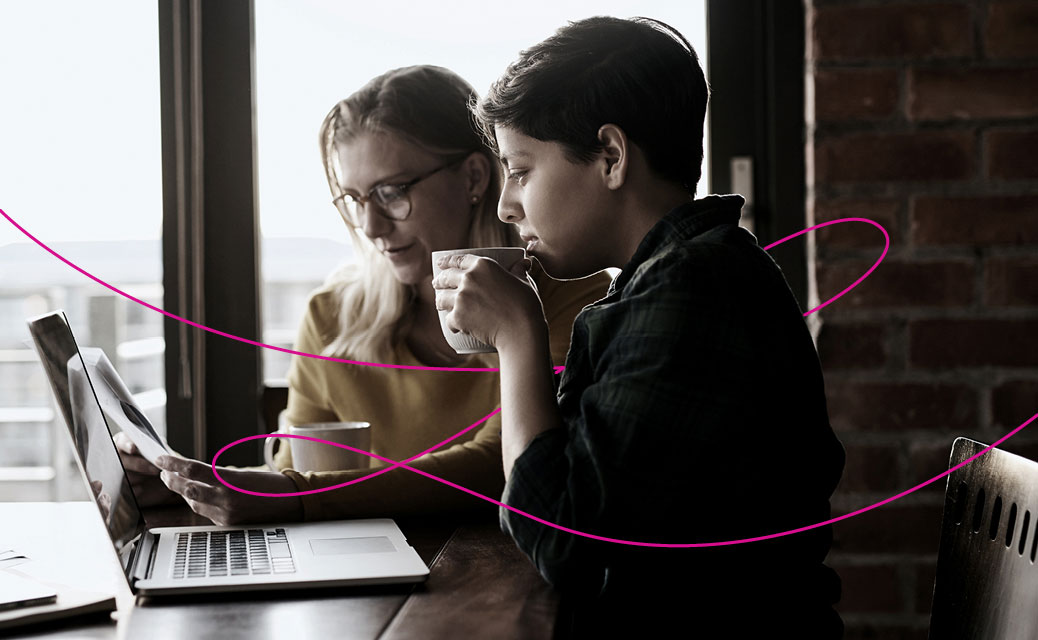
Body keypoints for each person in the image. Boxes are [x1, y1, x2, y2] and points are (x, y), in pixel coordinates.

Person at [431, 17, 845, 636]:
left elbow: (560, 534)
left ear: (611, 156)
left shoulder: (693, 292)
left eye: (520, 170)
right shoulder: (676, 276)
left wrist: (519, 335)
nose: (504, 206)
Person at [116, 65, 610, 526]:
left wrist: (286, 494)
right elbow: (295, 471)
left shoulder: (572, 299)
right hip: (361, 595)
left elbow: (498, 465)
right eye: (356, 200)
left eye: (392, 192)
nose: (371, 227)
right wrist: (186, 487)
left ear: (475, 178)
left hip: (512, 592)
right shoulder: (332, 317)